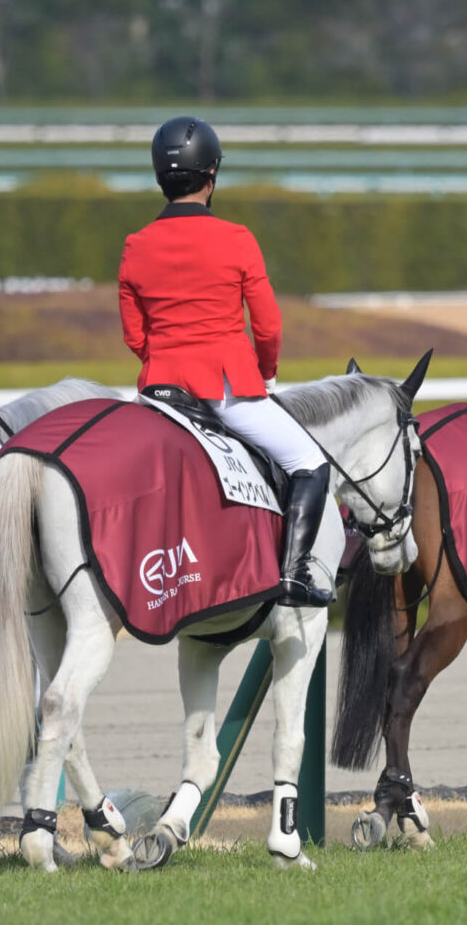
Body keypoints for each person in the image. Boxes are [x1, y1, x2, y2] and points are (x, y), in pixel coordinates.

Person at [117, 115, 335, 607]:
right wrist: (266, 372)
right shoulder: (237, 238)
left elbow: (135, 334)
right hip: (227, 388)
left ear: (160, 179)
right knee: (310, 462)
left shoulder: (136, 244)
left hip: (159, 391)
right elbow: (268, 326)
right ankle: (293, 575)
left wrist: (166, 362)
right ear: (211, 177)